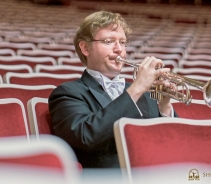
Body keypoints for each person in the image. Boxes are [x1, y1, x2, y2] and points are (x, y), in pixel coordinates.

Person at [48, 10, 178, 168]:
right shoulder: (67, 93)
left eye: (122, 42)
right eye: (109, 41)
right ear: (85, 48)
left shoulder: (144, 93)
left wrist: (165, 107)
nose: (119, 49)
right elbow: (87, 137)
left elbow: (171, 144)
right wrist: (136, 89)